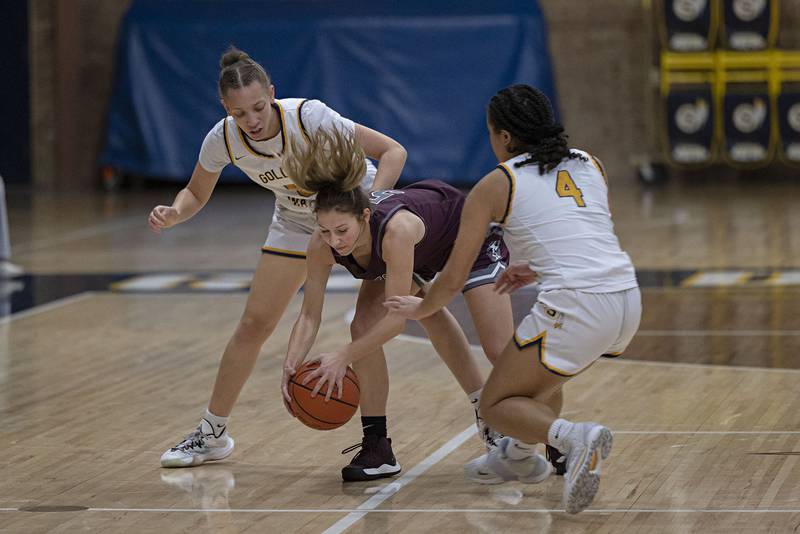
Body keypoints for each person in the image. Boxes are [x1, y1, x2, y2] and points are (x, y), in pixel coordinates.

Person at [385, 84, 641, 514]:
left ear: (504, 136)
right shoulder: (589, 162)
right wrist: (538, 268)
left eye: (490, 133)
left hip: (578, 304)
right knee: (539, 383)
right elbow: (584, 235)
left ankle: (573, 439)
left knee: (496, 405)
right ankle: (518, 458)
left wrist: (422, 308)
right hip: (625, 299)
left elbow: (455, 275)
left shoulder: (496, 183)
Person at [151, 46, 407, 470]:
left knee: (413, 313)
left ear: (271, 93)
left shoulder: (310, 117)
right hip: (296, 221)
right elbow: (196, 192)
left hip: (355, 215)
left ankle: (486, 420)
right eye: (239, 113)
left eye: (257, 107)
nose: (251, 120)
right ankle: (212, 433)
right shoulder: (223, 139)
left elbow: (392, 151)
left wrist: (374, 209)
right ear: (225, 109)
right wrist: (176, 212)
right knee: (254, 323)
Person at [280, 128, 519, 481]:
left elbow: (395, 323)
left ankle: (543, 431)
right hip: (419, 250)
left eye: (341, 231)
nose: (335, 241)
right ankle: (377, 446)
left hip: (466, 235)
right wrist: (291, 363)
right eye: (326, 231)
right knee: (364, 327)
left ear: (363, 217)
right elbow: (309, 314)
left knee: (499, 348)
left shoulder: (396, 232)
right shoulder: (322, 245)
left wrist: (342, 356)